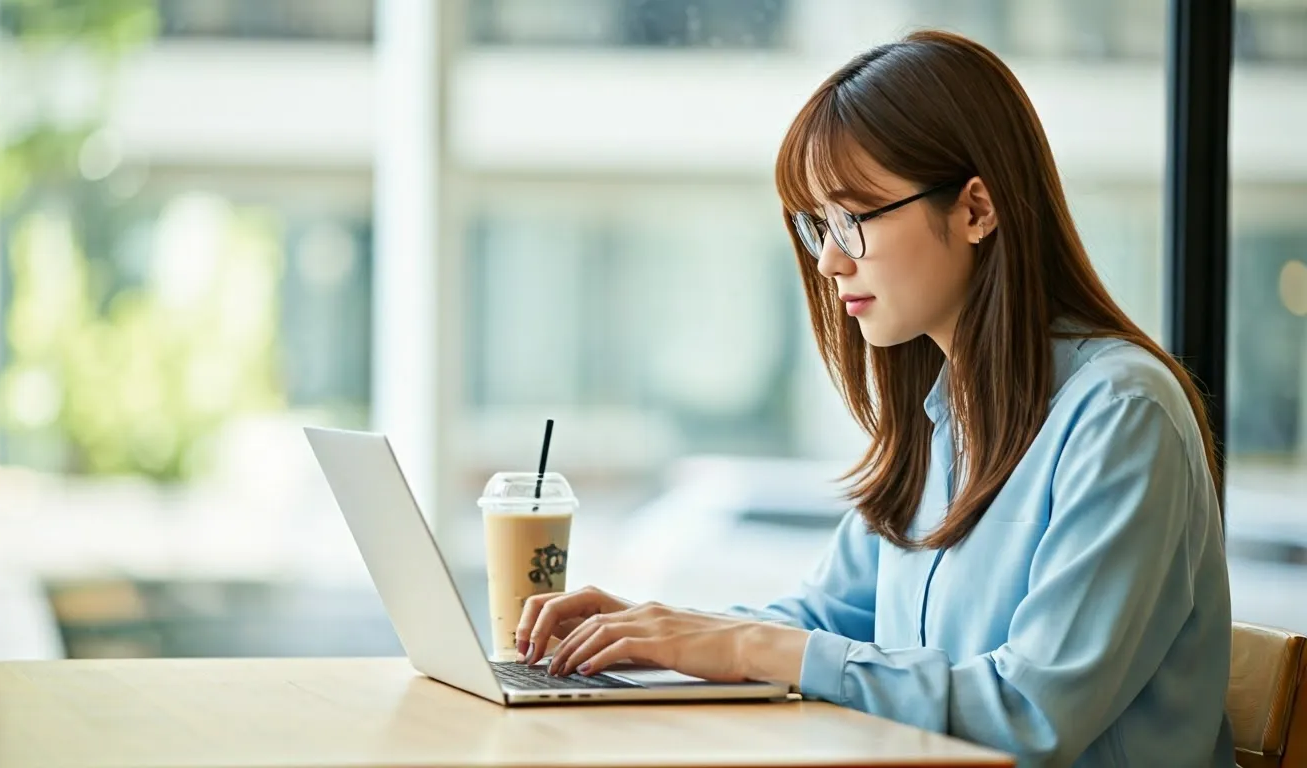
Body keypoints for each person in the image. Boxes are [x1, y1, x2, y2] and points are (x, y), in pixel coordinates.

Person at [512, 29, 1235, 768]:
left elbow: (1031, 714)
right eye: (817, 225)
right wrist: (651, 630)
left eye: (851, 218)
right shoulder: (941, 417)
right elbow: (822, 619)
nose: (828, 259)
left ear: (975, 210)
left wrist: (746, 646)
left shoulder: (1122, 413)